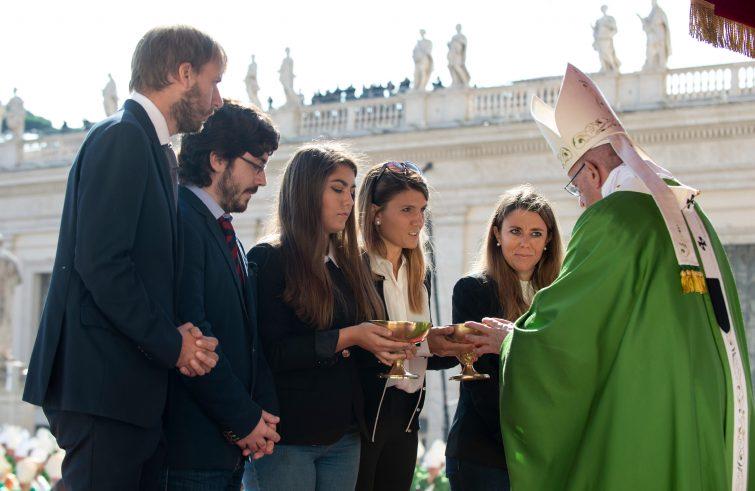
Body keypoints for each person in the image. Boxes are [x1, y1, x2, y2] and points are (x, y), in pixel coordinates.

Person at [500, 63, 755, 489]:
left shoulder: (613, 218)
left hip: (648, 409)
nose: (582, 203)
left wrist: (513, 342)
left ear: (593, 173)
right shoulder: (693, 215)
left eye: (576, 186)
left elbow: (568, 331)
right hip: (714, 406)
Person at [22, 26, 225, 488]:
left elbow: (146, 268)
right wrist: (173, 344)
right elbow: (104, 264)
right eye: (214, 81)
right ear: (184, 72)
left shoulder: (152, 148)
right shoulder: (122, 138)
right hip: (102, 387)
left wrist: (182, 335)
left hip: (126, 388)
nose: (217, 99)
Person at [248, 143, 415, 491]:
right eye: (337, 189)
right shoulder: (269, 258)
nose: (348, 202)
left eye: (352, 191)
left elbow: (359, 346)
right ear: (305, 190)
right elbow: (272, 353)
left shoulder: (349, 265)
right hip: (286, 438)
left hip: (345, 435)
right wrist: (352, 336)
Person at [160, 101, 281, 488]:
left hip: (223, 447)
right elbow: (196, 336)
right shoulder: (180, 219)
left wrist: (261, 416)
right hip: (188, 449)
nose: (262, 180)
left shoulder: (223, 230)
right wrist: (244, 419)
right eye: (257, 165)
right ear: (217, 159)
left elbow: (246, 338)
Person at [354, 162, 468, 491]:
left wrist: (457, 345)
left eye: (422, 209)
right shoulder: (353, 269)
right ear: (376, 213)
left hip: (406, 419)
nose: (418, 219)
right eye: (406, 209)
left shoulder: (420, 272)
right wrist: (430, 342)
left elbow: (421, 353)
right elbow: (362, 346)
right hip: (365, 418)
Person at [444, 186, 562, 491]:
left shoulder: (560, 297)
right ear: (498, 234)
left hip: (543, 450)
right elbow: (480, 378)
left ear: (548, 240)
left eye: (536, 233)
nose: (525, 243)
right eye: (516, 231)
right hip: (484, 453)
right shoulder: (473, 289)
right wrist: (526, 439)